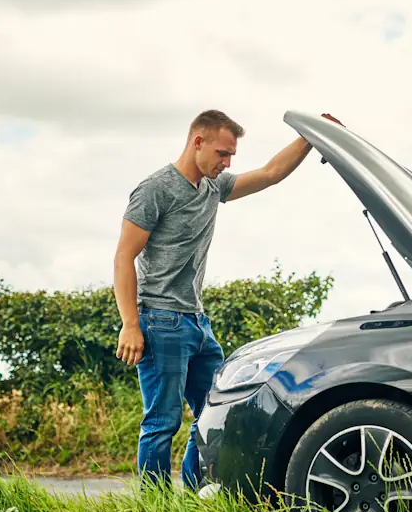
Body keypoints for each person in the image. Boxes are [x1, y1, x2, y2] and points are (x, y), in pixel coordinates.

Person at [113, 109, 342, 492]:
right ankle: (152, 508)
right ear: (196, 141)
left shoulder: (212, 188)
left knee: (216, 415)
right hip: (160, 320)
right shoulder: (156, 189)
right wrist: (131, 324)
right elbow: (123, 256)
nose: (227, 163)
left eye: (231, 156)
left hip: (197, 323)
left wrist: (310, 136)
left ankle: (192, 499)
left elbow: (269, 174)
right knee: (162, 422)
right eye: (222, 153)